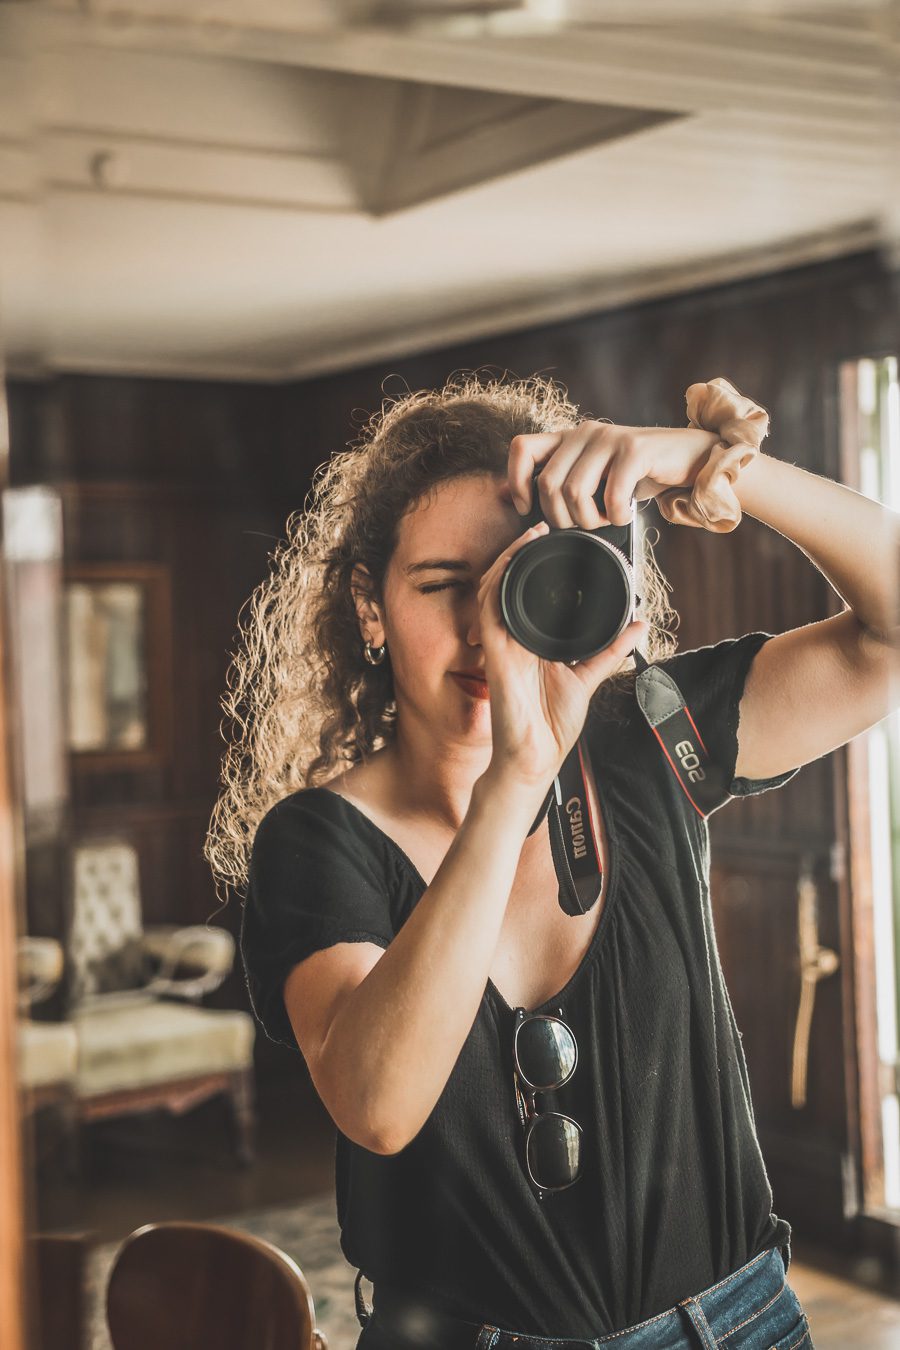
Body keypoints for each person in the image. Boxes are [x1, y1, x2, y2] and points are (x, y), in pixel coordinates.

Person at [205, 372, 899, 1350]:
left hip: (741, 1326)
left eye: (516, 583)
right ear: (370, 605)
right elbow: (380, 1105)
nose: (487, 631)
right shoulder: (316, 842)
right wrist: (517, 777)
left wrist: (709, 465)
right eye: (446, 587)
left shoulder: (647, 737)